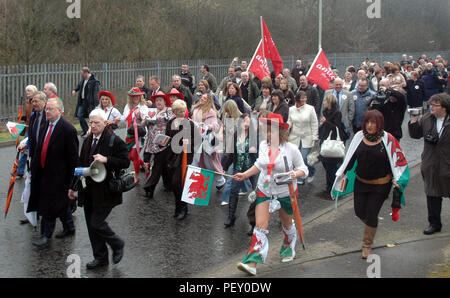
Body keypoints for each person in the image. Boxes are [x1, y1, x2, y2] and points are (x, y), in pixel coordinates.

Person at [232, 113, 308, 276]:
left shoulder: (291, 149)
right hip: (265, 190)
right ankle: (252, 263)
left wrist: (294, 174)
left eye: (271, 131)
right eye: (266, 131)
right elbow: (259, 164)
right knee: (260, 226)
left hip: (285, 192)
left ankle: (288, 247)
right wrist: (244, 174)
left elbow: (304, 169)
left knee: (287, 224)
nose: (267, 135)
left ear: (280, 132)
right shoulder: (263, 145)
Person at [335, 109, 409, 259]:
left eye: (373, 123)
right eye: (367, 122)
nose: (369, 125)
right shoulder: (358, 137)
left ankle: (367, 244)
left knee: (372, 213)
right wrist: (342, 172)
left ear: (379, 124)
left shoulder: (387, 139)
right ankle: (372, 225)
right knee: (359, 211)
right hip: (361, 182)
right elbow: (351, 157)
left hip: (381, 185)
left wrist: (397, 178)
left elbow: (397, 160)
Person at [69, 109, 129, 269]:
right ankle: (100, 258)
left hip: (106, 191)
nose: (93, 125)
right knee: (91, 226)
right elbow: (81, 164)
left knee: (97, 223)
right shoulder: (88, 139)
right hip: (87, 190)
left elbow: (125, 162)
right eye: (91, 122)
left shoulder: (114, 141)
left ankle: (117, 243)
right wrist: (72, 187)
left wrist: (107, 159)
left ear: (105, 123)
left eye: (97, 122)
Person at [27, 98, 79, 249]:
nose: (47, 112)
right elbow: (40, 148)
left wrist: (72, 182)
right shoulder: (45, 125)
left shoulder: (68, 129)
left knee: (49, 206)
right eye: (46, 109)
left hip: (59, 176)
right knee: (60, 204)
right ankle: (69, 227)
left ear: (60, 111)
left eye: (50, 109)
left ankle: (46, 235)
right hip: (44, 172)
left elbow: (73, 158)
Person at [409, 93, 450, 235]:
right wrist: (414, 121)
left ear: (444, 108)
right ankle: (434, 223)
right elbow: (415, 135)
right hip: (431, 163)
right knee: (432, 194)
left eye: (435, 105)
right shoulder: (427, 118)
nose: (431, 107)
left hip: (447, 163)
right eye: (430, 104)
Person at [165, 100, 202, 220]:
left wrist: (188, 142)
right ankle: (180, 207)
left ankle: (182, 207)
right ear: (174, 112)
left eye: (183, 111)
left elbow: (198, 140)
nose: (182, 113)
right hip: (172, 156)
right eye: (179, 111)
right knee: (174, 184)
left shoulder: (190, 124)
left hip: (185, 157)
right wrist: (162, 142)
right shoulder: (170, 122)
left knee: (178, 182)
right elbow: (168, 138)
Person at [222, 114, 258, 227]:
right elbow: (231, 152)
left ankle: (255, 221)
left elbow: (260, 154)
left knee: (258, 192)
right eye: (243, 121)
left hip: (252, 168)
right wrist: (225, 167)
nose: (246, 124)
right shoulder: (236, 135)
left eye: (248, 122)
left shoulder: (254, 136)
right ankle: (231, 216)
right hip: (238, 167)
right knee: (233, 191)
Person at [142, 91, 174, 199]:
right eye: (156, 100)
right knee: (164, 165)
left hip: (163, 142)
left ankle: (149, 188)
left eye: (160, 100)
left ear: (165, 101)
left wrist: (156, 119)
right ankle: (169, 185)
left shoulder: (169, 110)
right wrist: (145, 119)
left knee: (157, 165)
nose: (158, 102)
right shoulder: (152, 111)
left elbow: (172, 120)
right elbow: (143, 124)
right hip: (151, 142)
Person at [191, 93, 226, 190]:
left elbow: (216, 125)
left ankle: (220, 181)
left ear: (209, 101)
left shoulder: (211, 112)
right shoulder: (196, 109)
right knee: (195, 160)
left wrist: (207, 126)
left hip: (208, 140)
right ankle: (194, 181)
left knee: (210, 162)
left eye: (205, 98)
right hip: (197, 138)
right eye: (202, 97)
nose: (202, 99)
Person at [319, 94, 348, 195]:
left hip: (333, 140)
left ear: (329, 102)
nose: (324, 103)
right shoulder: (325, 112)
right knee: (325, 163)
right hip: (325, 138)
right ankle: (329, 185)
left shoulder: (337, 113)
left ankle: (332, 186)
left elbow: (336, 127)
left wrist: (326, 122)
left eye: (325, 101)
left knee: (332, 165)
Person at [287, 91, 319, 185]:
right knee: (295, 158)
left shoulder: (310, 109)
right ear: (297, 99)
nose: (304, 100)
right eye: (302, 98)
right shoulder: (291, 109)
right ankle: (300, 177)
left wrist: (315, 136)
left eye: (305, 98)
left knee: (304, 157)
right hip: (295, 137)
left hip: (307, 137)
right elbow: (290, 121)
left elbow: (314, 123)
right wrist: (286, 129)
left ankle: (311, 171)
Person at [120, 87, 149, 184]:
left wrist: (139, 115)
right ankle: (144, 164)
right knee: (131, 156)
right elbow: (123, 118)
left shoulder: (143, 106)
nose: (135, 98)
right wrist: (116, 120)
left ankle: (136, 177)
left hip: (139, 135)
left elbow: (146, 119)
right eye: (133, 96)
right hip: (130, 134)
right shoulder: (127, 106)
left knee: (134, 155)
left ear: (140, 96)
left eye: (137, 96)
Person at [72, 67, 100, 136]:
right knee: (79, 115)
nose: (81, 75)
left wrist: (96, 104)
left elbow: (96, 93)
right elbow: (79, 85)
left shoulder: (94, 81)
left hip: (90, 103)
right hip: (82, 101)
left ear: (86, 73)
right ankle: (86, 130)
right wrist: (75, 90)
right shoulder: (83, 80)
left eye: (82, 74)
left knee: (92, 118)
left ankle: (93, 132)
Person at [17, 85, 38, 178]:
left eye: (29, 91)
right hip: (27, 129)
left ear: (34, 91)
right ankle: (20, 171)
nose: (27, 93)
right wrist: (21, 118)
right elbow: (28, 116)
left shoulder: (36, 102)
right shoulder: (26, 102)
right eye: (26, 91)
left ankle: (31, 171)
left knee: (31, 150)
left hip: (34, 129)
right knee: (23, 149)